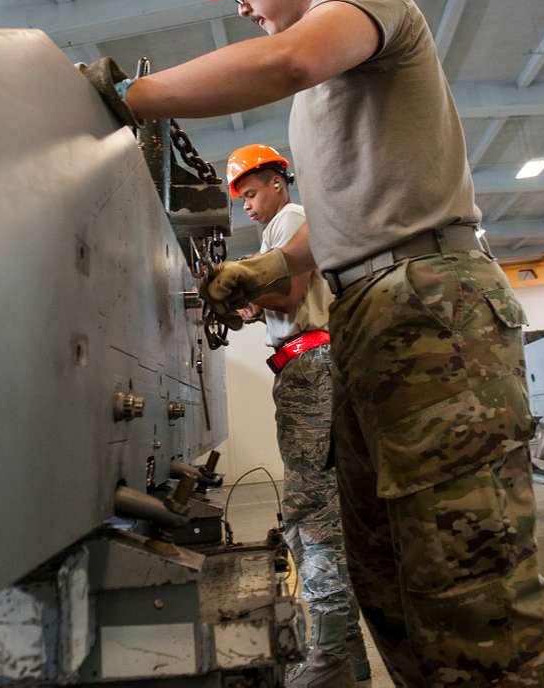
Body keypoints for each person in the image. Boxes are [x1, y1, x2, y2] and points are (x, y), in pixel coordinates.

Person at [114, 0, 544, 687]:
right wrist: (271, 266)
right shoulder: (320, 99)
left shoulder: (360, 1)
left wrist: (131, 98)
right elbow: (338, 225)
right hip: (373, 314)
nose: (239, 7)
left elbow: (286, 56)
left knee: (468, 578)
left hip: (432, 309)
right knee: (388, 568)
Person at [227, 143, 370, 687]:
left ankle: (330, 659)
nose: (247, 204)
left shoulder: (290, 219)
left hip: (310, 365)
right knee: (318, 510)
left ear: (277, 183)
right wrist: (249, 299)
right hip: (306, 365)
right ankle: (349, 661)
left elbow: (288, 296)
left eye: (250, 192)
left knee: (311, 514)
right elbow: (281, 295)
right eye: (241, 197)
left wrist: (245, 288)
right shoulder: (280, 227)